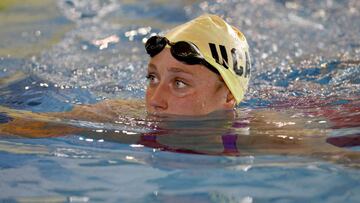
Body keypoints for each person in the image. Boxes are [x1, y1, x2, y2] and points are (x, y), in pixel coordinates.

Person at [0, 14, 359, 167]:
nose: (155, 99)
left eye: (180, 83)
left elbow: (342, 161)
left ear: (228, 96)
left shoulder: (266, 135)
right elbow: (37, 125)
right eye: (152, 77)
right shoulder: (122, 116)